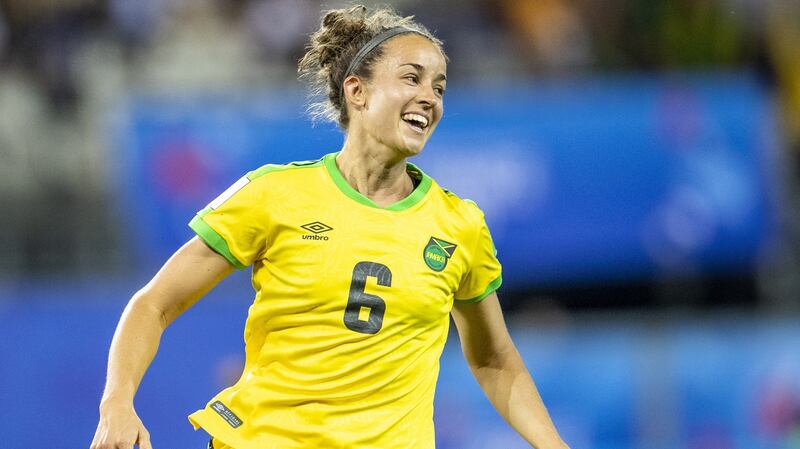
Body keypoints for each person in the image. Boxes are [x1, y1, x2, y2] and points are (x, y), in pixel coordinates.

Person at [90, 5, 571, 449]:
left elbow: (494, 359)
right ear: (357, 91)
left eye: (439, 87)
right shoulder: (274, 194)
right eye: (412, 78)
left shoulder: (460, 226)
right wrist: (116, 402)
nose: (429, 98)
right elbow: (154, 303)